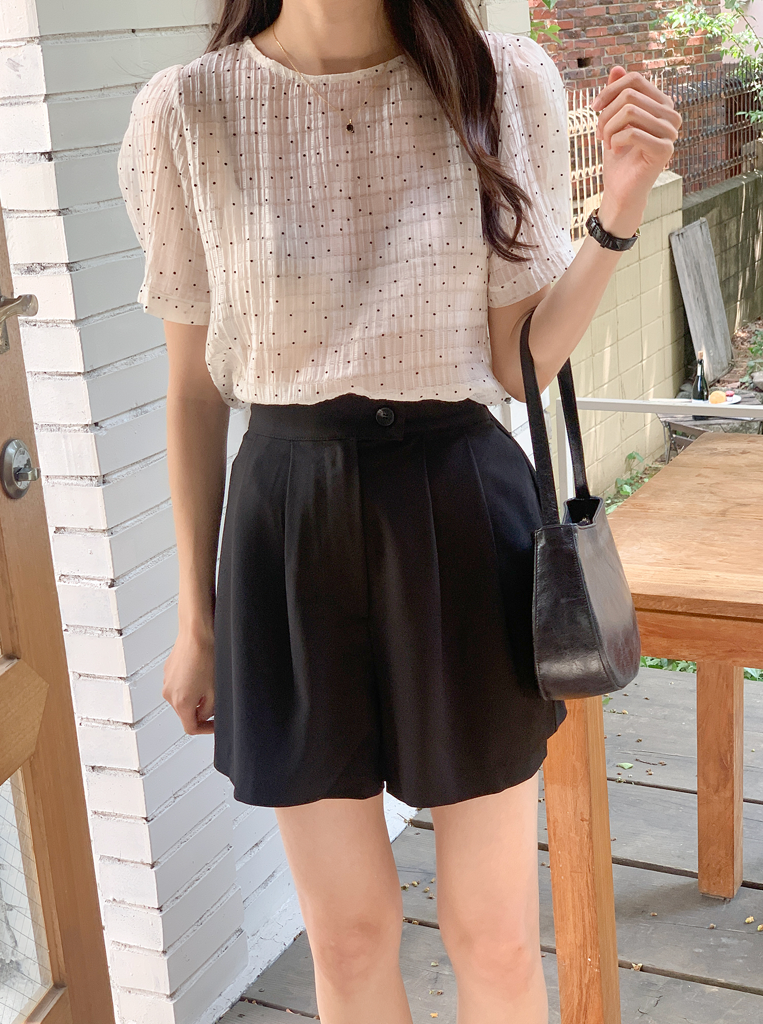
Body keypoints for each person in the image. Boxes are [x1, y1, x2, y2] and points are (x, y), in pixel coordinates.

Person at [117, 0, 680, 1017]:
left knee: (494, 938)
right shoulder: (190, 111)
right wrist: (197, 622)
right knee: (349, 939)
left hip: (459, 510)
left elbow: (519, 360)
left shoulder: (498, 79)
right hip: (287, 530)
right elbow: (195, 390)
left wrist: (621, 207)